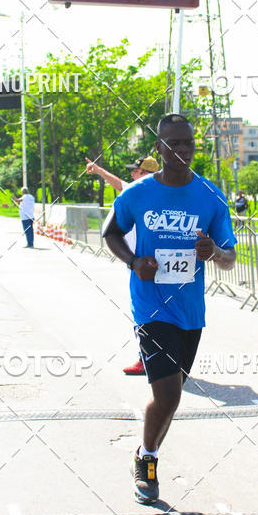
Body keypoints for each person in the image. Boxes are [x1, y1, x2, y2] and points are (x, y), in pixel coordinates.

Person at [103, 114, 237, 504]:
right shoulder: (138, 194)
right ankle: (147, 460)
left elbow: (229, 257)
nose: (181, 150)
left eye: (187, 144)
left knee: (172, 393)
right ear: (158, 149)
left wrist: (213, 251)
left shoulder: (210, 197)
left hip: (190, 312)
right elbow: (110, 232)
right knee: (168, 396)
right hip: (150, 307)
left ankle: (146, 452)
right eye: (173, 144)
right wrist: (132, 261)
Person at [87, 154, 160, 375]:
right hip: (155, 260)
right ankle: (159, 356)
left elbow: (119, 184)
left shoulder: (141, 191)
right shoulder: (159, 193)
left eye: (136, 171)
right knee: (158, 311)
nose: (132, 174)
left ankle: (146, 358)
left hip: (142, 263)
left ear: (146, 174)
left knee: (143, 312)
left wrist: (99, 170)